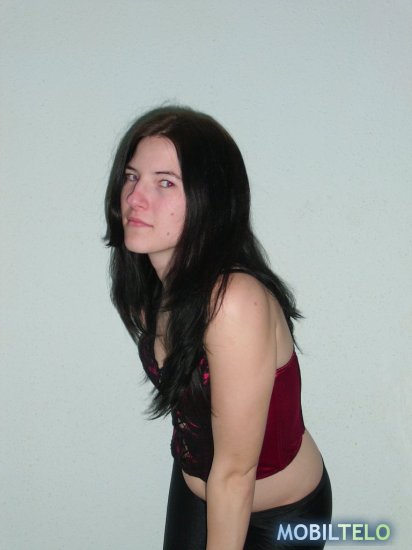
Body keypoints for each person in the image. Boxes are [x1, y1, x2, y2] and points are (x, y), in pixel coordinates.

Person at [104, 106, 332, 550]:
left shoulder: (233, 302)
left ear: (210, 198)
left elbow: (235, 472)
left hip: (281, 516)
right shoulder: (148, 289)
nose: (135, 198)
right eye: (132, 177)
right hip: (200, 490)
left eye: (165, 182)